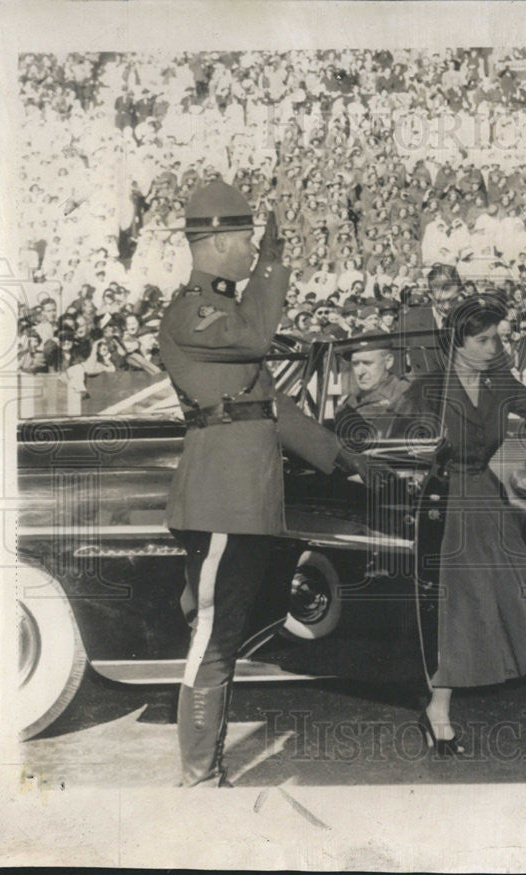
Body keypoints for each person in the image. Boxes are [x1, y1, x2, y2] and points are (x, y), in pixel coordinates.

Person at [158, 181, 368, 787]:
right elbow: (253, 337)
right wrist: (273, 267)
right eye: (247, 239)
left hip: (244, 501)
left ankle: (206, 766)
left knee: (226, 629)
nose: (254, 249)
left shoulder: (224, 312)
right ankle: (198, 773)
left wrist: (345, 459)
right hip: (223, 499)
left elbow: (270, 408)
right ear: (218, 239)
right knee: (214, 634)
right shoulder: (195, 311)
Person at [394, 295, 526, 754]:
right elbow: (405, 444)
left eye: (497, 337)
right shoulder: (428, 388)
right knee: (462, 606)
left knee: (497, 600)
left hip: (483, 496)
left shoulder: (498, 377)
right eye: (483, 339)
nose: (493, 347)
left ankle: (439, 708)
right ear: (457, 342)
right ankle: (439, 711)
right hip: (440, 501)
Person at [334, 339, 411, 441]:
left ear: (388, 362)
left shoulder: (402, 396)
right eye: (355, 364)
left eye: (367, 363)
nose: (360, 372)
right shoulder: (353, 398)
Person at [395, 262, 461, 373]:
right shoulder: (410, 322)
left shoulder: (472, 319)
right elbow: (399, 368)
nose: (448, 307)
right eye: (442, 301)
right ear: (430, 295)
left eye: (453, 300)